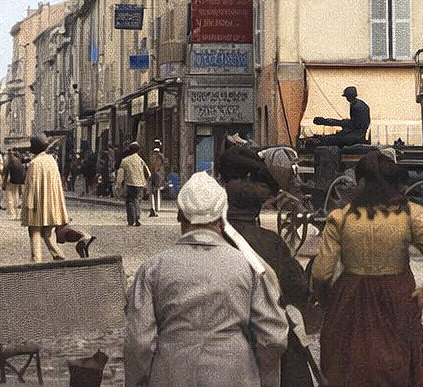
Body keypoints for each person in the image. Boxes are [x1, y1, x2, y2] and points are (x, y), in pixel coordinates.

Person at [125, 173, 289, 387]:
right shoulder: (249, 266)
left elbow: (139, 342)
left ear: (180, 215)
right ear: (222, 217)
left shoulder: (152, 269)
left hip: (171, 374)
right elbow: (273, 338)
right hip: (234, 374)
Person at [311, 151, 423, 387]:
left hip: (350, 299)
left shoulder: (340, 218)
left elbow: (321, 273)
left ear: (361, 183)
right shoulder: (411, 215)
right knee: (396, 363)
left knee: (348, 367)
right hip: (396, 298)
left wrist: (326, 300)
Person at [226, 179, 319, 387]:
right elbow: (295, 288)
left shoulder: (217, 240)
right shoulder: (270, 242)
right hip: (264, 330)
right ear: (256, 210)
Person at [21, 135, 70, 262]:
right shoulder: (52, 161)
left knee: (34, 231)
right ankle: (58, 254)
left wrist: (28, 203)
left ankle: (36, 258)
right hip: (51, 202)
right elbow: (57, 183)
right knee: (49, 231)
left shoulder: (34, 163)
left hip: (36, 203)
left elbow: (31, 185)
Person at [117, 142, 152, 227]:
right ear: (138, 150)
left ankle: (131, 220)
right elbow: (148, 173)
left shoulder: (125, 161)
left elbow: (120, 174)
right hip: (140, 184)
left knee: (130, 201)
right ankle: (137, 218)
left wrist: (118, 184)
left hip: (130, 184)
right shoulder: (140, 160)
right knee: (137, 201)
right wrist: (146, 182)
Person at [5, 148, 27, 217]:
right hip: (19, 181)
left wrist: (4, 182)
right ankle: (17, 212)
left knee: (10, 197)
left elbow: (6, 172)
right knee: (16, 196)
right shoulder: (18, 160)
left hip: (11, 181)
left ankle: (12, 213)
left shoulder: (10, 161)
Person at [148, 141, 167, 217]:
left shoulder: (152, 156)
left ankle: (154, 208)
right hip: (156, 175)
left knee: (153, 192)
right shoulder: (160, 157)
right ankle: (155, 208)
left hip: (154, 175)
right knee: (155, 192)